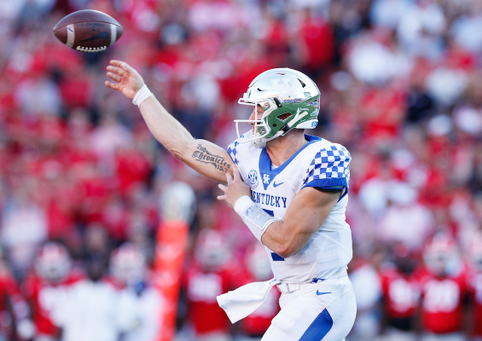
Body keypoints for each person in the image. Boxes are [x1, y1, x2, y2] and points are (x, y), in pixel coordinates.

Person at [105, 60, 357, 340]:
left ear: (286, 114)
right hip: (293, 293)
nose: (251, 118)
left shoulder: (324, 159)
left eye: (259, 109)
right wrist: (142, 96)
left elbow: (286, 242)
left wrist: (242, 203)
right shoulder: (250, 155)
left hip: (323, 295)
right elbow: (185, 147)